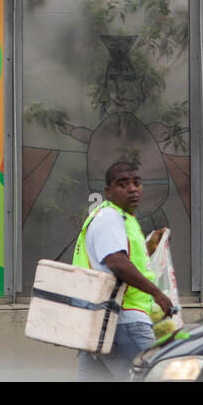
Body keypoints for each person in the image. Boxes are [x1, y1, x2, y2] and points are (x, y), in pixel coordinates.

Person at [73, 160, 175, 381]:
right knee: (154, 377)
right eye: (123, 184)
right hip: (124, 320)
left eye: (136, 183)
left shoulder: (119, 219)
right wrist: (157, 293)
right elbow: (116, 262)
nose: (132, 189)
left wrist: (150, 247)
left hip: (98, 322)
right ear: (108, 191)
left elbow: (123, 260)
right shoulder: (110, 217)